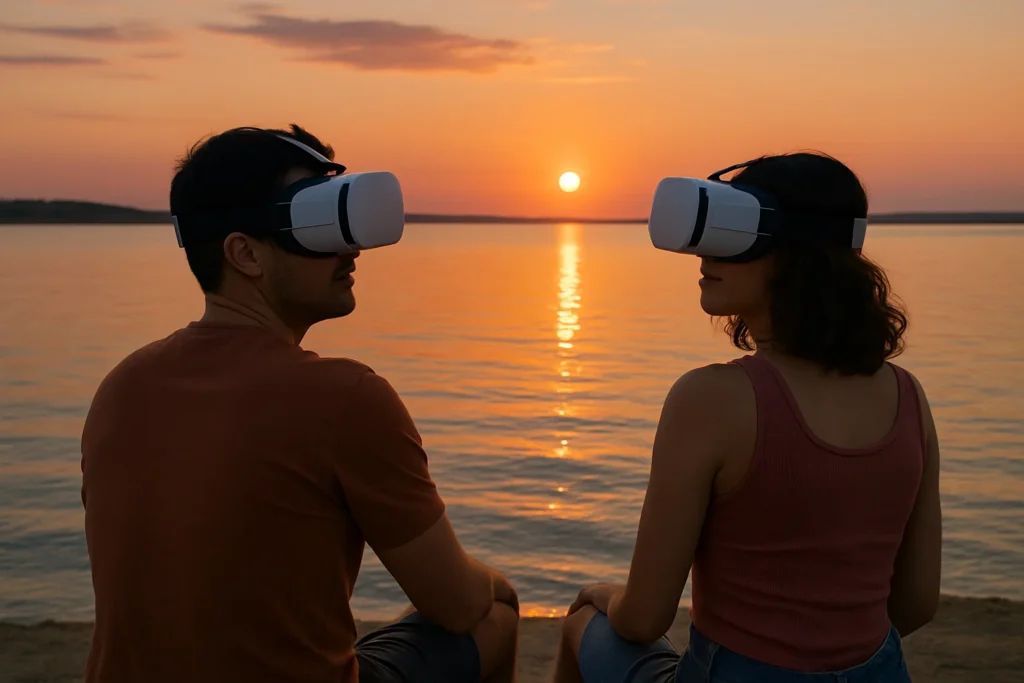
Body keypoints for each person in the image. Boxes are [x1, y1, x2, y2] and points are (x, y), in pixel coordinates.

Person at [81, 124, 519, 683]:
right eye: (315, 223)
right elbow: (457, 604)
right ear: (244, 253)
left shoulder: (121, 385)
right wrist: (491, 583)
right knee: (494, 613)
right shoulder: (347, 398)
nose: (351, 247)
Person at [555, 152, 942, 683]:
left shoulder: (711, 399)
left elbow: (644, 618)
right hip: (879, 672)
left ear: (795, 254)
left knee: (584, 626)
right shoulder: (909, 398)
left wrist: (604, 598)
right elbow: (916, 605)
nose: (706, 255)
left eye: (733, 234)